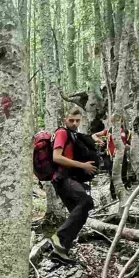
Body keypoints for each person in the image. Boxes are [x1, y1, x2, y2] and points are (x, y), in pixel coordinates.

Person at [49, 107, 106, 263]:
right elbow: (57, 157)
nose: (74, 123)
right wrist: (82, 166)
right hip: (63, 178)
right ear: (64, 120)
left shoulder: (73, 134)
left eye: (77, 121)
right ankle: (59, 238)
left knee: (81, 212)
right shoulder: (61, 133)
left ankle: (59, 252)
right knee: (86, 202)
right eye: (71, 120)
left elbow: (85, 139)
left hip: (69, 178)